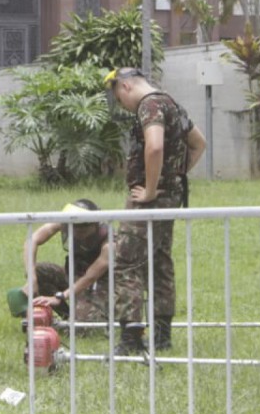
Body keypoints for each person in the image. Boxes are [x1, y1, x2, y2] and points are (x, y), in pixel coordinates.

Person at [104, 67, 207, 354]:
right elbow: (199, 144)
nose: (122, 105)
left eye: (119, 98)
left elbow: (155, 147)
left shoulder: (148, 106)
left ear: (125, 86)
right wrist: (175, 176)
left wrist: (150, 189)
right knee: (160, 263)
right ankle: (162, 336)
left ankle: (131, 339)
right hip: (170, 198)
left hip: (149, 202)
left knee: (126, 262)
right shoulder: (171, 103)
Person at [21, 199, 112, 323]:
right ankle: (67, 315)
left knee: (84, 326)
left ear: (95, 224)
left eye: (83, 229)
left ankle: (89, 315)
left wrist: (61, 296)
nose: (77, 232)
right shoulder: (68, 222)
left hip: (100, 284)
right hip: (74, 275)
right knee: (40, 271)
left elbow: (90, 276)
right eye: (73, 227)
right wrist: (32, 279)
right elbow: (32, 240)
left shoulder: (110, 242)